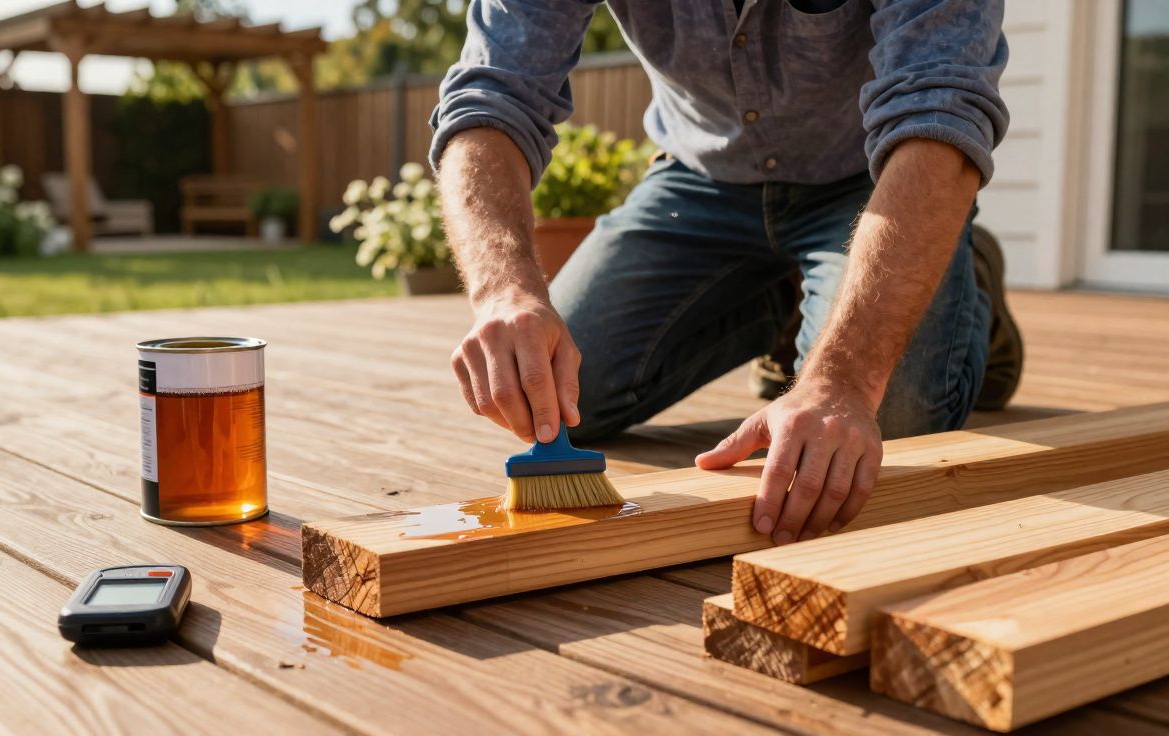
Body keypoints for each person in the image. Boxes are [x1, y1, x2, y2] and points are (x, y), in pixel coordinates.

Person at [430, 0, 1023, 545]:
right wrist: (503, 289)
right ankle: (792, 300)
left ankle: (957, 272)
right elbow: (490, 98)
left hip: (873, 186)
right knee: (564, 390)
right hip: (700, 181)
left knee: (883, 420)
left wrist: (843, 380)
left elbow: (941, 108)